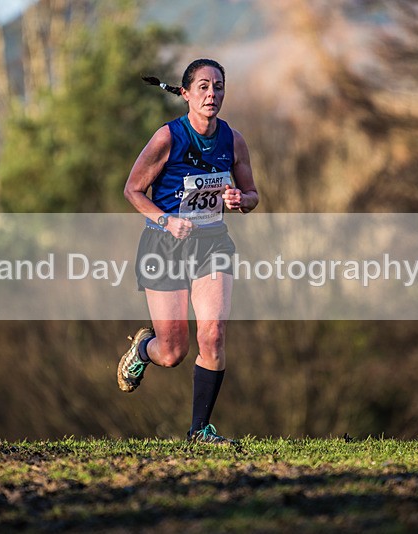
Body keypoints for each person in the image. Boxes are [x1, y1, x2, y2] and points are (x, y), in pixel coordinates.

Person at [117, 58, 258, 444]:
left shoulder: (233, 140)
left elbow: (252, 196)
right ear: (186, 94)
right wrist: (166, 220)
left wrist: (238, 199)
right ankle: (144, 349)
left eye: (218, 87)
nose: (212, 94)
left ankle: (199, 430)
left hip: (212, 243)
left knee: (213, 335)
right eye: (203, 87)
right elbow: (132, 190)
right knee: (173, 352)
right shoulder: (167, 138)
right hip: (164, 245)